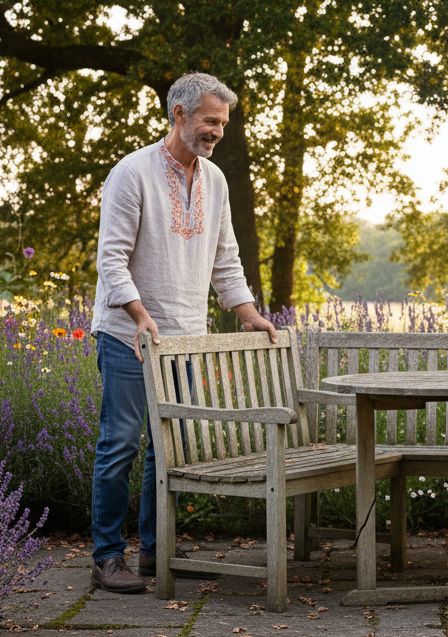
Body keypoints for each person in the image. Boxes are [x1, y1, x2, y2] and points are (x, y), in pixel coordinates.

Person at [89, 72, 277, 594]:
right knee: (121, 444)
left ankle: (156, 552)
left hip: (185, 341)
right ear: (178, 114)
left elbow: (226, 259)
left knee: (167, 451)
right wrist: (140, 315)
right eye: (210, 121)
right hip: (129, 336)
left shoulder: (215, 181)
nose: (218, 132)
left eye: (223, 123)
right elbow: (111, 259)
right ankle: (106, 557)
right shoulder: (132, 173)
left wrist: (247, 314)